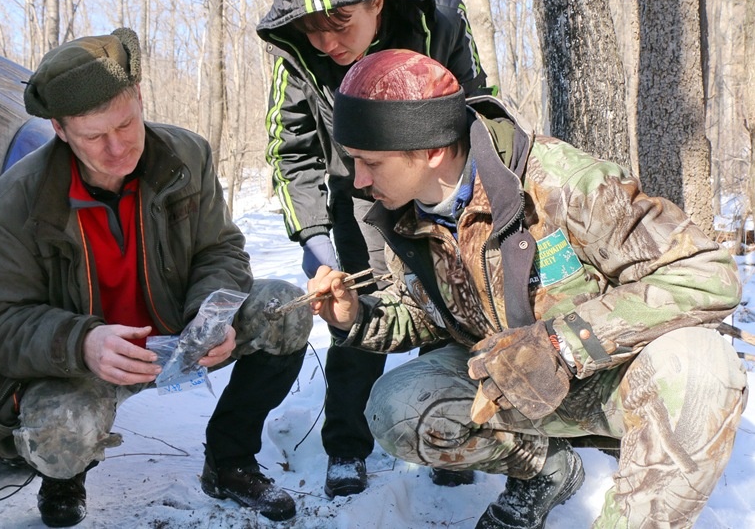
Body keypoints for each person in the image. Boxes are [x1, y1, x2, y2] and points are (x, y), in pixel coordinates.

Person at [309, 49, 748, 528]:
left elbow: (708, 273)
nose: (360, 179)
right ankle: (547, 471)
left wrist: (563, 343)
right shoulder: (410, 211)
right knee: (396, 408)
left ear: (431, 151)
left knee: (705, 370)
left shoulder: (566, 184)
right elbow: (428, 312)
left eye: (370, 161)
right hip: (511, 386)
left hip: (612, 385)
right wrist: (356, 316)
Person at [0, 28, 312, 526]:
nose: (118, 148)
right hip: (87, 362)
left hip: (179, 333)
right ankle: (65, 477)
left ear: (140, 97)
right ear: (59, 129)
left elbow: (221, 249)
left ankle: (230, 460)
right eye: (94, 137)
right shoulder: (13, 202)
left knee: (285, 310)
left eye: (126, 124)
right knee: (60, 434)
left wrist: (213, 313)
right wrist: (82, 343)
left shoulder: (189, 156)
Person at [256, 0, 487, 496]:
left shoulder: (437, 19)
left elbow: (478, 107)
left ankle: (450, 436)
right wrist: (315, 243)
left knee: (448, 308)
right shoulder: (298, 56)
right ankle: (346, 445)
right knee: (358, 311)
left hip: (437, 189)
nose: (328, 43)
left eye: (341, 22)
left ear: (377, 3)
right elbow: (291, 153)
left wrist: (468, 198)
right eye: (313, 29)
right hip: (356, 191)